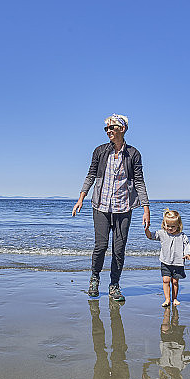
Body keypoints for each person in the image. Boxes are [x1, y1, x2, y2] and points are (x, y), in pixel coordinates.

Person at [72, 114, 151, 301]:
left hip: (124, 207)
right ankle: (94, 279)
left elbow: (139, 181)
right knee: (100, 246)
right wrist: (81, 198)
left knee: (119, 248)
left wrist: (146, 208)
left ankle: (114, 285)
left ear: (122, 129)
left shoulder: (133, 154)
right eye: (106, 128)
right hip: (100, 205)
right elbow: (90, 175)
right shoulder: (100, 151)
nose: (108, 131)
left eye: (112, 128)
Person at [144, 209, 190, 307]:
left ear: (178, 225)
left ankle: (175, 298)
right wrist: (146, 230)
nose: (169, 228)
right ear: (164, 224)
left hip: (178, 262)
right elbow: (150, 236)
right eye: (167, 226)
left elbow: (187, 246)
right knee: (165, 280)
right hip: (165, 262)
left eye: (173, 226)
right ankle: (167, 299)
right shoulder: (162, 233)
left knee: (174, 281)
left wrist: (187, 254)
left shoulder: (182, 236)